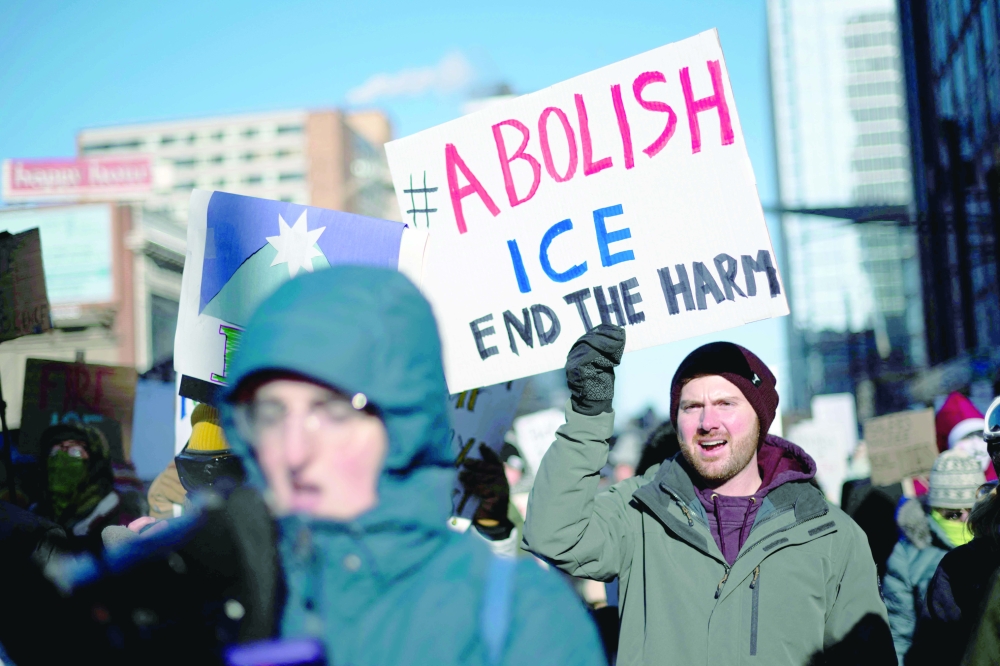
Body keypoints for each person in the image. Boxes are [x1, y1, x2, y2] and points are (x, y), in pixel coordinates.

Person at [219, 265, 604, 665]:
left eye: (332, 411)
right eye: (269, 414)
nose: (294, 451)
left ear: (404, 423)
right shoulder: (212, 601)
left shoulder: (523, 617)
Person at [523, 328, 894, 665]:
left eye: (725, 404)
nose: (707, 422)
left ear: (759, 418)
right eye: (691, 407)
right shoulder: (639, 509)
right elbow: (554, 535)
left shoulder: (830, 534)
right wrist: (589, 415)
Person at [884, 449, 984, 662]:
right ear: (934, 509)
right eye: (953, 514)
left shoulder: (994, 544)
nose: (965, 520)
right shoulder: (907, 556)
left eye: (973, 510)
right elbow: (900, 634)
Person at [36, 422, 127, 541]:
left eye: (75, 451)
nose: (62, 457)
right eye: (55, 451)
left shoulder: (116, 513)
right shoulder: (35, 511)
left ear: (95, 463)